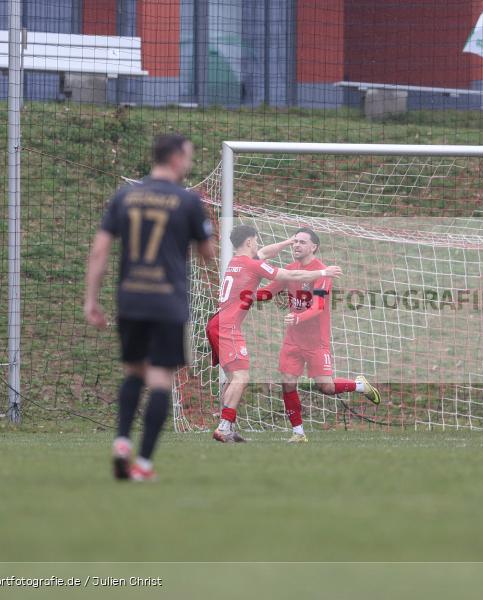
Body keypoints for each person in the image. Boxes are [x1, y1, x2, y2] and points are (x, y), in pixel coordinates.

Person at [84, 133, 215, 482]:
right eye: (188, 156)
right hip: (168, 302)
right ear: (175, 158)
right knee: (159, 380)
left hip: (131, 299)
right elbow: (208, 253)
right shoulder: (187, 201)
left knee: (133, 373)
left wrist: (91, 300)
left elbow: (99, 251)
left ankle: (123, 442)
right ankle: (142, 464)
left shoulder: (125, 195)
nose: (189, 163)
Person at [206, 225, 342, 443]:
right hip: (227, 327)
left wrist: (287, 243)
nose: (259, 245)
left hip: (216, 322)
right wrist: (324, 272)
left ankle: (227, 427)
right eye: (256, 241)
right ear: (249, 242)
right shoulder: (253, 264)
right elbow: (291, 274)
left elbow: (266, 253)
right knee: (241, 377)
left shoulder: (236, 261)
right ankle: (223, 428)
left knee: (234, 378)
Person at [255, 228, 381, 443]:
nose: (296, 245)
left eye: (302, 242)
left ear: (313, 247)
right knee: (287, 382)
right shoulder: (290, 270)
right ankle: (298, 433)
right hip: (292, 340)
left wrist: (298, 317)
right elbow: (268, 292)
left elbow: (319, 306)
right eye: (295, 241)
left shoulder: (323, 273)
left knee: (327, 387)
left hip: (316, 342)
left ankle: (360, 385)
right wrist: (243, 294)